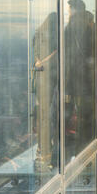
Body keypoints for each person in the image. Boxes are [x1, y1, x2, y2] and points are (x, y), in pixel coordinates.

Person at [64, 0, 96, 162]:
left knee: (75, 114)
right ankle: (88, 147)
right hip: (91, 77)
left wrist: (66, 84)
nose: (68, 12)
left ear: (75, 10)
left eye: (70, 9)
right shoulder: (91, 27)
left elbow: (67, 56)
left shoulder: (70, 29)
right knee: (88, 115)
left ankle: (78, 149)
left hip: (76, 77)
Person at [33, 12, 59, 172]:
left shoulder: (37, 34)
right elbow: (58, 56)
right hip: (51, 78)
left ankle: (42, 148)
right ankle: (47, 147)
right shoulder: (55, 37)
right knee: (51, 114)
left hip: (40, 79)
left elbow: (35, 59)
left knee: (42, 114)